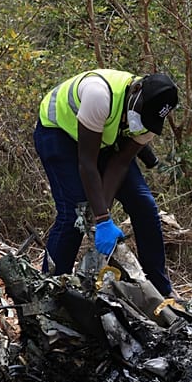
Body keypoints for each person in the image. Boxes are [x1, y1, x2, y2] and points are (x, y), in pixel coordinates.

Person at [33, 68, 178, 297]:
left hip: (104, 142)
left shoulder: (149, 121)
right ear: (136, 90)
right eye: (141, 114)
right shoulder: (98, 94)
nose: (142, 122)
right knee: (74, 213)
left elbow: (120, 163)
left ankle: (160, 291)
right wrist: (100, 218)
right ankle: (50, 293)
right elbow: (87, 163)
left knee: (144, 206)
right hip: (59, 133)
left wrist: (103, 213)